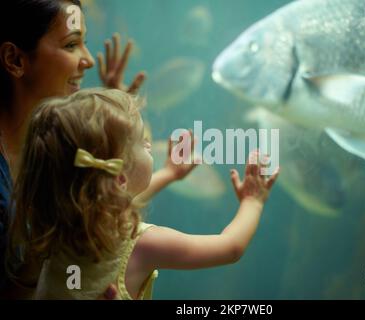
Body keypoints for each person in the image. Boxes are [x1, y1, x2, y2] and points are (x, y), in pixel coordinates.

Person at [7, 88, 279, 299]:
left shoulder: (53, 230)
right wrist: (253, 201)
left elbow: (118, 200)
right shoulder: (143, 245)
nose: (149, 142)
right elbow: (229, 247)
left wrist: (169, 174)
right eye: (140, 141)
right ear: (121, 178)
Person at [0, 0, 192, 298]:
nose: (88, 59)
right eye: (71, 45)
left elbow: (98, 203)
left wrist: (119, 125)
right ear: (14, 59)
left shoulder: (59, 148)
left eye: (84, 44)